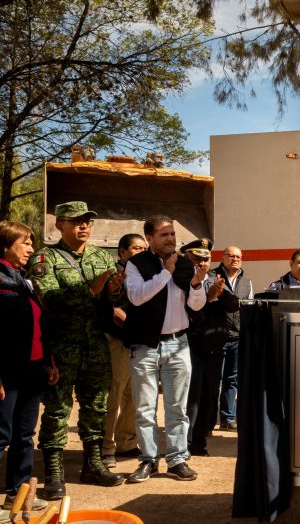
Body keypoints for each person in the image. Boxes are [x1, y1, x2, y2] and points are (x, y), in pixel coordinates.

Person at [30, 201, 126, 497]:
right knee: (58, 409)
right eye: (76, 221)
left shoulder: (101, 256)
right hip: (62, 344)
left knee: (96, 406)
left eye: (87, 221)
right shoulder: (46, 258)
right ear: (60, 225)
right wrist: (92, 290)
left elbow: (113, 301)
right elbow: (51, 299)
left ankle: (93, 464)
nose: (84, 226)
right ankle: (54, 473)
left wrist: (113, 292)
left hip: (96, 344)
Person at [124, 216, 207, 483]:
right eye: (164, 235)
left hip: (178, 344)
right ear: (149, 238)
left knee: (177, 408)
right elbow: (137, 297)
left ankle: (177, 459)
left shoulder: (185, 264)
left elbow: (196, 306)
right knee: (145, 408)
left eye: (172, 234)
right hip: (146, 345)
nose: (171, 239)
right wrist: (166, 273)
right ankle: (148, 460)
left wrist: (196, 285)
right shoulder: (136, 264)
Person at [0, 221, 58, 511]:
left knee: (24, 435)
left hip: (32, 369)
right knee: (0, 435)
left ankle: (17, 493)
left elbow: (39, 325)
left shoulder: (24, 280)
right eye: (25, 243)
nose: (31, 249)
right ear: (6, 244)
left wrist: (48, 361)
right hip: (5, 372)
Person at [181, 239, 233, 457]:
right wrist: (209, 298)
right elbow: (191, 315)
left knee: (209, 397)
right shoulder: (182, 281)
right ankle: (185, 443)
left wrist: (218, 295)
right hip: (192, 347)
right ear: (187, 258)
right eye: (197, 259)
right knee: (191, 399)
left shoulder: (215, 278)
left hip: (215, 348)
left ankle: (199, 442)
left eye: (206, 259)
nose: (202, 264)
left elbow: (234, 305)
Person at [101, 233, 146, 468]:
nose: (141, 251)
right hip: (118, 340)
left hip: (138, 342)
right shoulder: (114, 273)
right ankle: (106, 447)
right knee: (115, 394)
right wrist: (130, 323)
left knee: (133, 395)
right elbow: (112, 308)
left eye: (144, 248)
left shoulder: (145, 272)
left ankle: (126, 442)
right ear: (122, 252)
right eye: (136, 248)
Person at [213, 246, 253, 430]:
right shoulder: (214, 276)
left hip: (237, 337)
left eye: (238, 256)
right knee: (214, 379)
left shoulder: (247, 281)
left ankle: (228, 419)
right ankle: (208, 418)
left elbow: (249, 308)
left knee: (232, 379)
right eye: (231, 256)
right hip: (216, 336)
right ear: (223, 258)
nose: (235, 259)